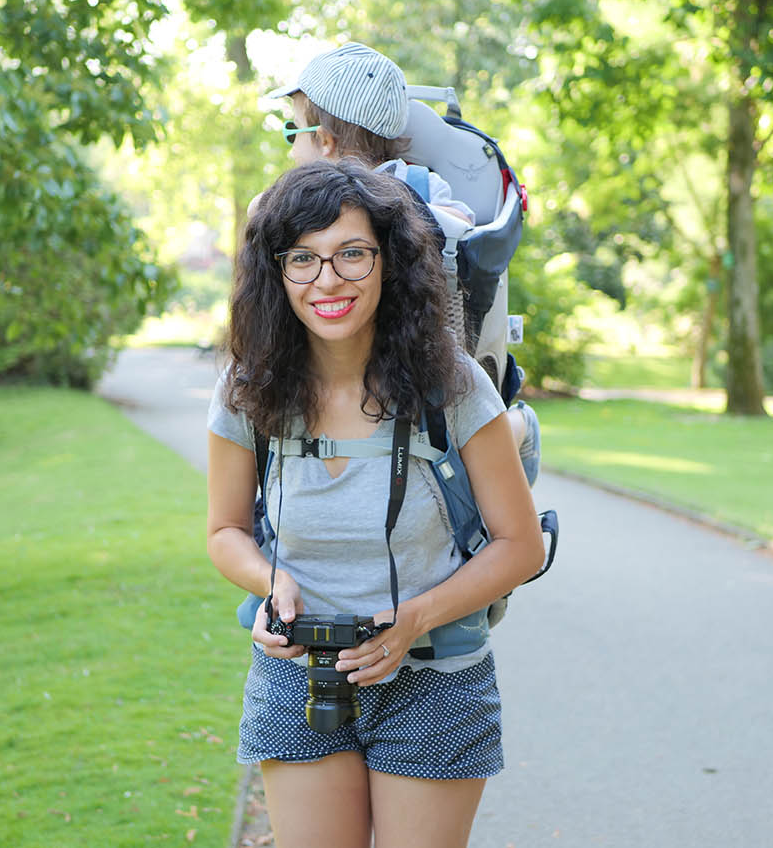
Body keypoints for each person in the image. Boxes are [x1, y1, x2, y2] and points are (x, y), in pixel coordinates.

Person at [206, 160, 546, 848]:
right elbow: (224, 531)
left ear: (390, 262)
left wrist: (412, 618)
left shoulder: (450, 385)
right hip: (298, 675)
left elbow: (521, 545)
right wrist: (271, 582)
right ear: (277, 272)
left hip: (433, 679)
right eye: (302, 258)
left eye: (351, 254)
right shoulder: (250, 389)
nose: (326, 280)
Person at [265, 41, 541, 484]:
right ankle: (515, 424)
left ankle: (523, 426)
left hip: (420, 366)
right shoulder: (410, 189)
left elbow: (457, 230)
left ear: (326, 142)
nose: (290, 149)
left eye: (291, 132)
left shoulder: (412, 187)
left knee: (461, 448)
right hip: (383, 373)